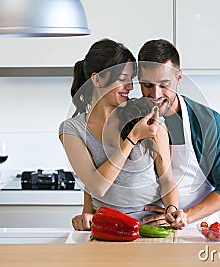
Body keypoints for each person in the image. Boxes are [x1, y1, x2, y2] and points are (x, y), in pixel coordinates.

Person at [58, 39, 186, 231]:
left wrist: (172, 210)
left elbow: (166, 178)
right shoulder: (72, 130)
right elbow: (96, 186)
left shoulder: (146, 114)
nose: (131, 87)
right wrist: (132, 138)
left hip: (152, 230)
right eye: (122, 79)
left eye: (131, 79)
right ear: (97, 79)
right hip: (107, 230)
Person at [137, 39, 220, 227]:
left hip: (193, 231)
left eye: (164, 84)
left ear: (179, 78)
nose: (155, 95)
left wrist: (185, 216)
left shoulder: (208, 123)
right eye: (148, 85)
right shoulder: (125, 117)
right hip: (139, 230)